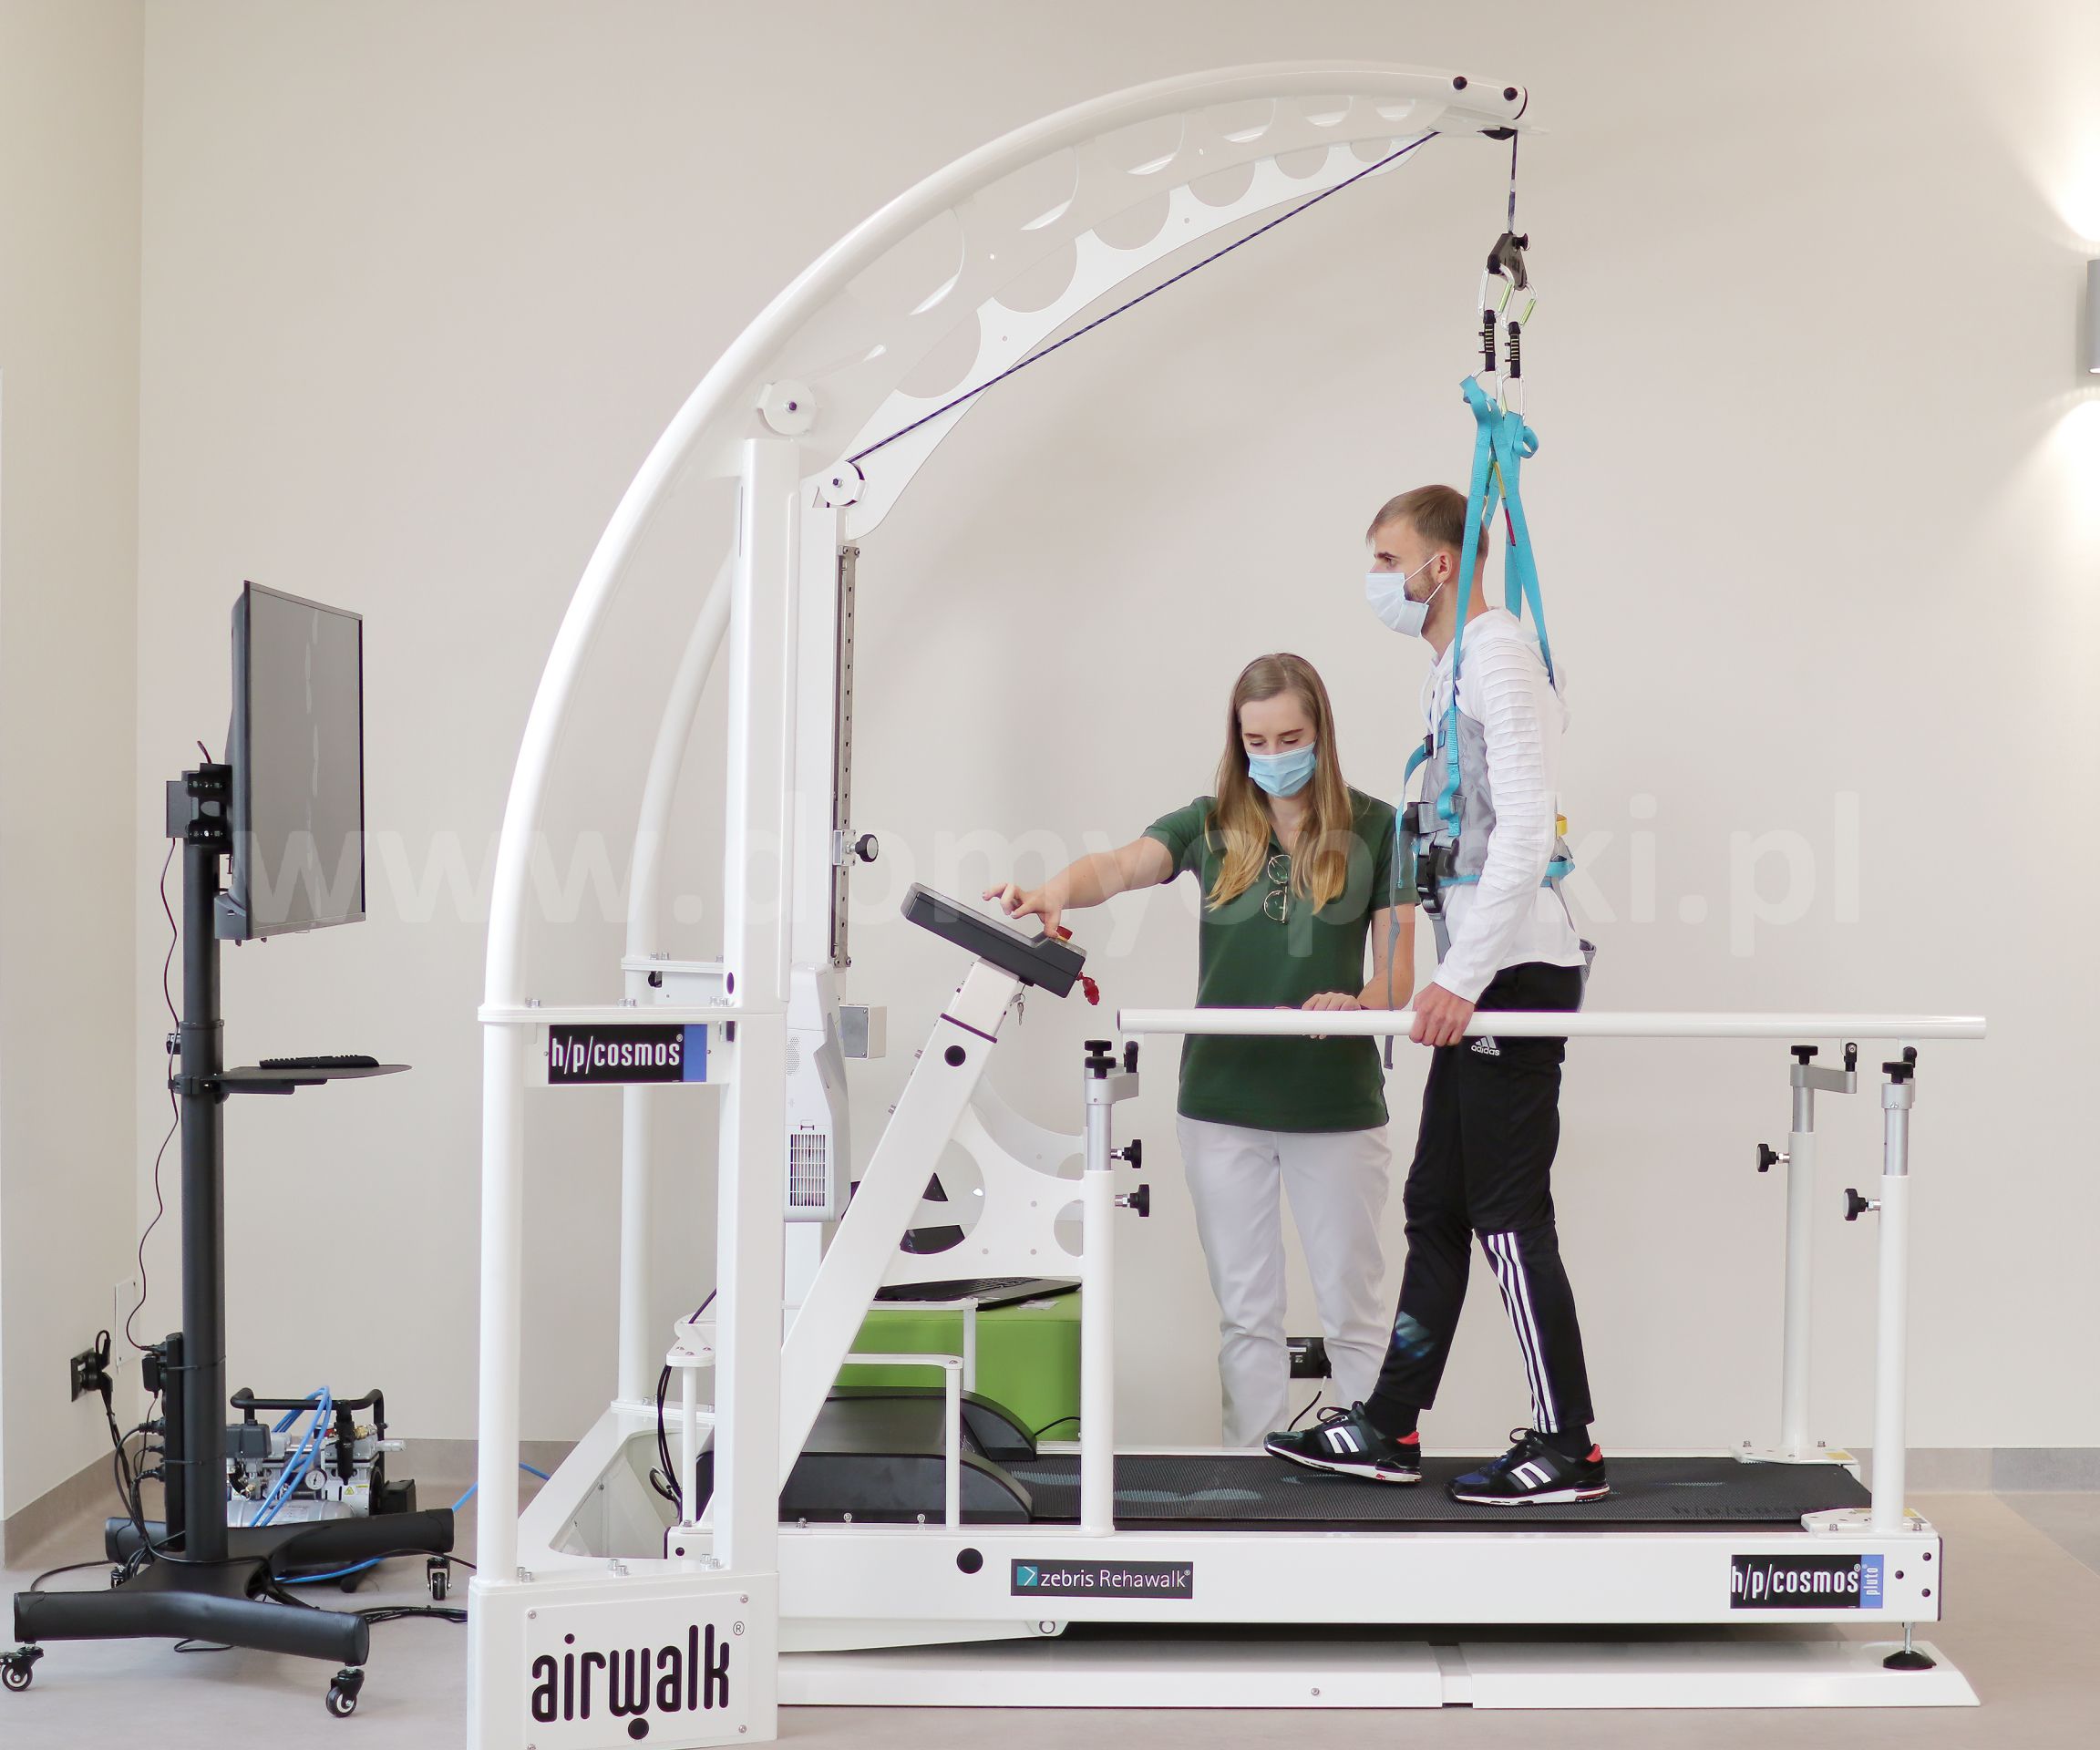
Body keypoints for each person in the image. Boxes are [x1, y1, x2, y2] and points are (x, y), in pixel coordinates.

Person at [1264, 485, 1605, 1503]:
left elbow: (1527, 831)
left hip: (1512, 972)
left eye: (1387, 558)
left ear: (1440, 564)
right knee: (1437, 1209)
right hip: (1481, 972)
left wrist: (1458, 979)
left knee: (1505, 1216)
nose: (1377, 578)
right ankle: (1389, 1425)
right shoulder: (1454, 666)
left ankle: (1570, 1446)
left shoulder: (1497, 655)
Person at [985, 653, 1415, 1447]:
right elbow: (1121, 866)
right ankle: (1252, 1468)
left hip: (1336, 1106)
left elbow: (1396, 978)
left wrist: (1355, 1006)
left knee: (1353, 1309)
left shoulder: (1379, 827)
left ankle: (1373, 1453)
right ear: (1237, 739)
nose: (1274, 754)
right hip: (1222, 1103)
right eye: (1258, 740)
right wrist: (1054, 892)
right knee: (1247, 1313)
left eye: (1291, 737)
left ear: (1321, 733)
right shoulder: (1212, 822)